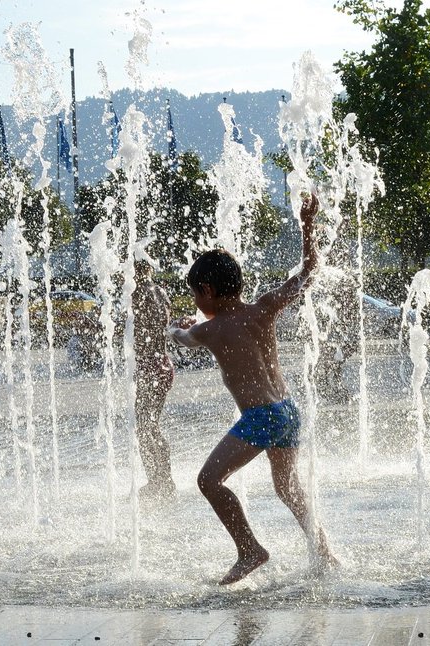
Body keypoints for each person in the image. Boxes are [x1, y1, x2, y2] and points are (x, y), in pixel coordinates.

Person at [170, 193, 336, 585]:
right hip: (288, 410)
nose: (196, 301)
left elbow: (185, 338)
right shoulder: (264, 307)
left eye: (196, 294)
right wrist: (307, 226)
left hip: (261, 417)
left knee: (209, 481)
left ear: (207, 291)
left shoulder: (209, 329)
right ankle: (325, 553)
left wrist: (171, 328)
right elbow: (310, 271)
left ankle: (249, 550)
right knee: (288, 487)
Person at [133, 260, 176, 500]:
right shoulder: (161, 292)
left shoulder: (137, 294)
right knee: (152, 425)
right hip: (163, 364)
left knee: (144, 427)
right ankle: (164, 478)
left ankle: (157, 481)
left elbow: (133, 330)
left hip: (148, 367)